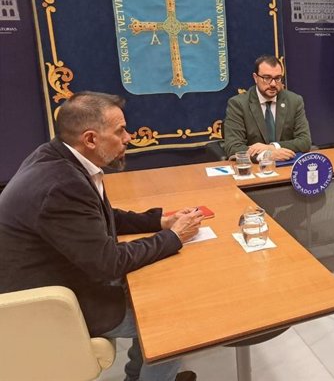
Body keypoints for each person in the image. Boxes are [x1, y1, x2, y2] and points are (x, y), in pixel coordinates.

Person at [0, 92, 203, 381]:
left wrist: (159, 221)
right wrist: (173, 237)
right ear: (91, 139)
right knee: (175, 316)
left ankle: (138, 375)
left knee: (158, 293)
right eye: (120, 130)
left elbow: (99, 215)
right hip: (52, 303)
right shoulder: (61, 185)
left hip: (60, 278)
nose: (129, 137)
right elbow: (108, 263)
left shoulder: (58, 157)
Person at [222, 55, 312, 161]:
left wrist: (272, 147)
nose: (273, 84)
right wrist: (266, 155)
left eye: (277, 78)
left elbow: (305, 141)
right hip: (254, 169)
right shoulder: (238, 104)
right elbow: (233, 147)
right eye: (267, 78)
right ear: (256, 78)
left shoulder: (294, 101)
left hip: (286, 165)